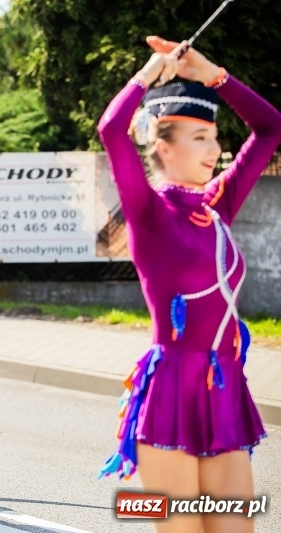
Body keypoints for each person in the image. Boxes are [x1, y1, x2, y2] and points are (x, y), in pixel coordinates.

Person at [97, 36, 281, 533]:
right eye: (200, 138)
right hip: (170, 391)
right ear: (163, 146)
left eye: (216, 138)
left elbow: (270, 127)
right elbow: (111, 128)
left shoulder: (216, 206)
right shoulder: (149, 211)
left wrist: (214, 75)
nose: (216, 149)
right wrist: (148, 75)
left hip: (224, 389)